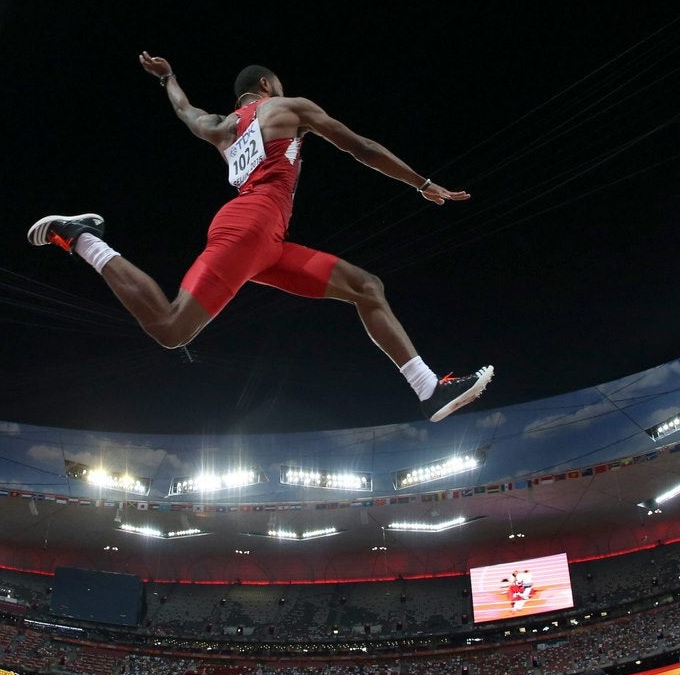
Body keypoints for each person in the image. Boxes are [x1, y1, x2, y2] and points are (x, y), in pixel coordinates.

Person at [29, 54, 494, 422]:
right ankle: (84, 237)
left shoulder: (220, 127)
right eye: (279, 86)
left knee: (366, 286)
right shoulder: (286, 107)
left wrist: (167, 77)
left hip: (266, 240)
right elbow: (361, 148)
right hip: (251, 226)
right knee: (172, 328)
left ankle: (427, 389)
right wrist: (420, 182)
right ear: (268, 86)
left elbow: (184, 110)